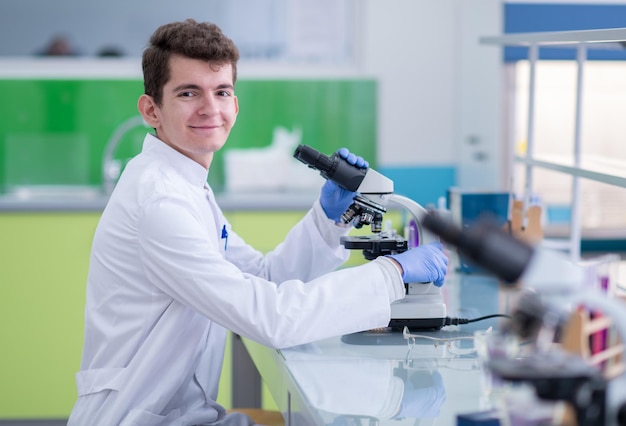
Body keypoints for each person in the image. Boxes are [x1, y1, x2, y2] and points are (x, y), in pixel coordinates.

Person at [68, 19, 448, 426]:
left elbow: (264, 278)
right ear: (151, 110)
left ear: (235, 104)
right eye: (188, 92)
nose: (210, 108)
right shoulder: (160, 202)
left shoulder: (186, 185)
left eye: (222, 92)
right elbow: (271, 318)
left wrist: (328, 219)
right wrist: (392, 273)